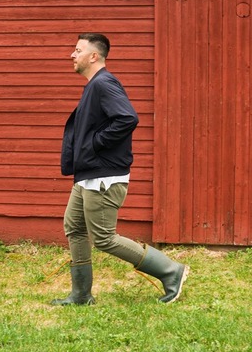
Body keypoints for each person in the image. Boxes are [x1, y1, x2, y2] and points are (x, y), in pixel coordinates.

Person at [50, 33, 189, 305]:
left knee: (103, 238)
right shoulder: (94, 85)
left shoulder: (104, 83)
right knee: (74, 227)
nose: (72, 55)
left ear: (93, 56)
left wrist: (94, 145)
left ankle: (171, 271)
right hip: (88, 174)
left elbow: (127, 118)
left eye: (77, 50)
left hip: (104, 176)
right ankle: (80, 295)